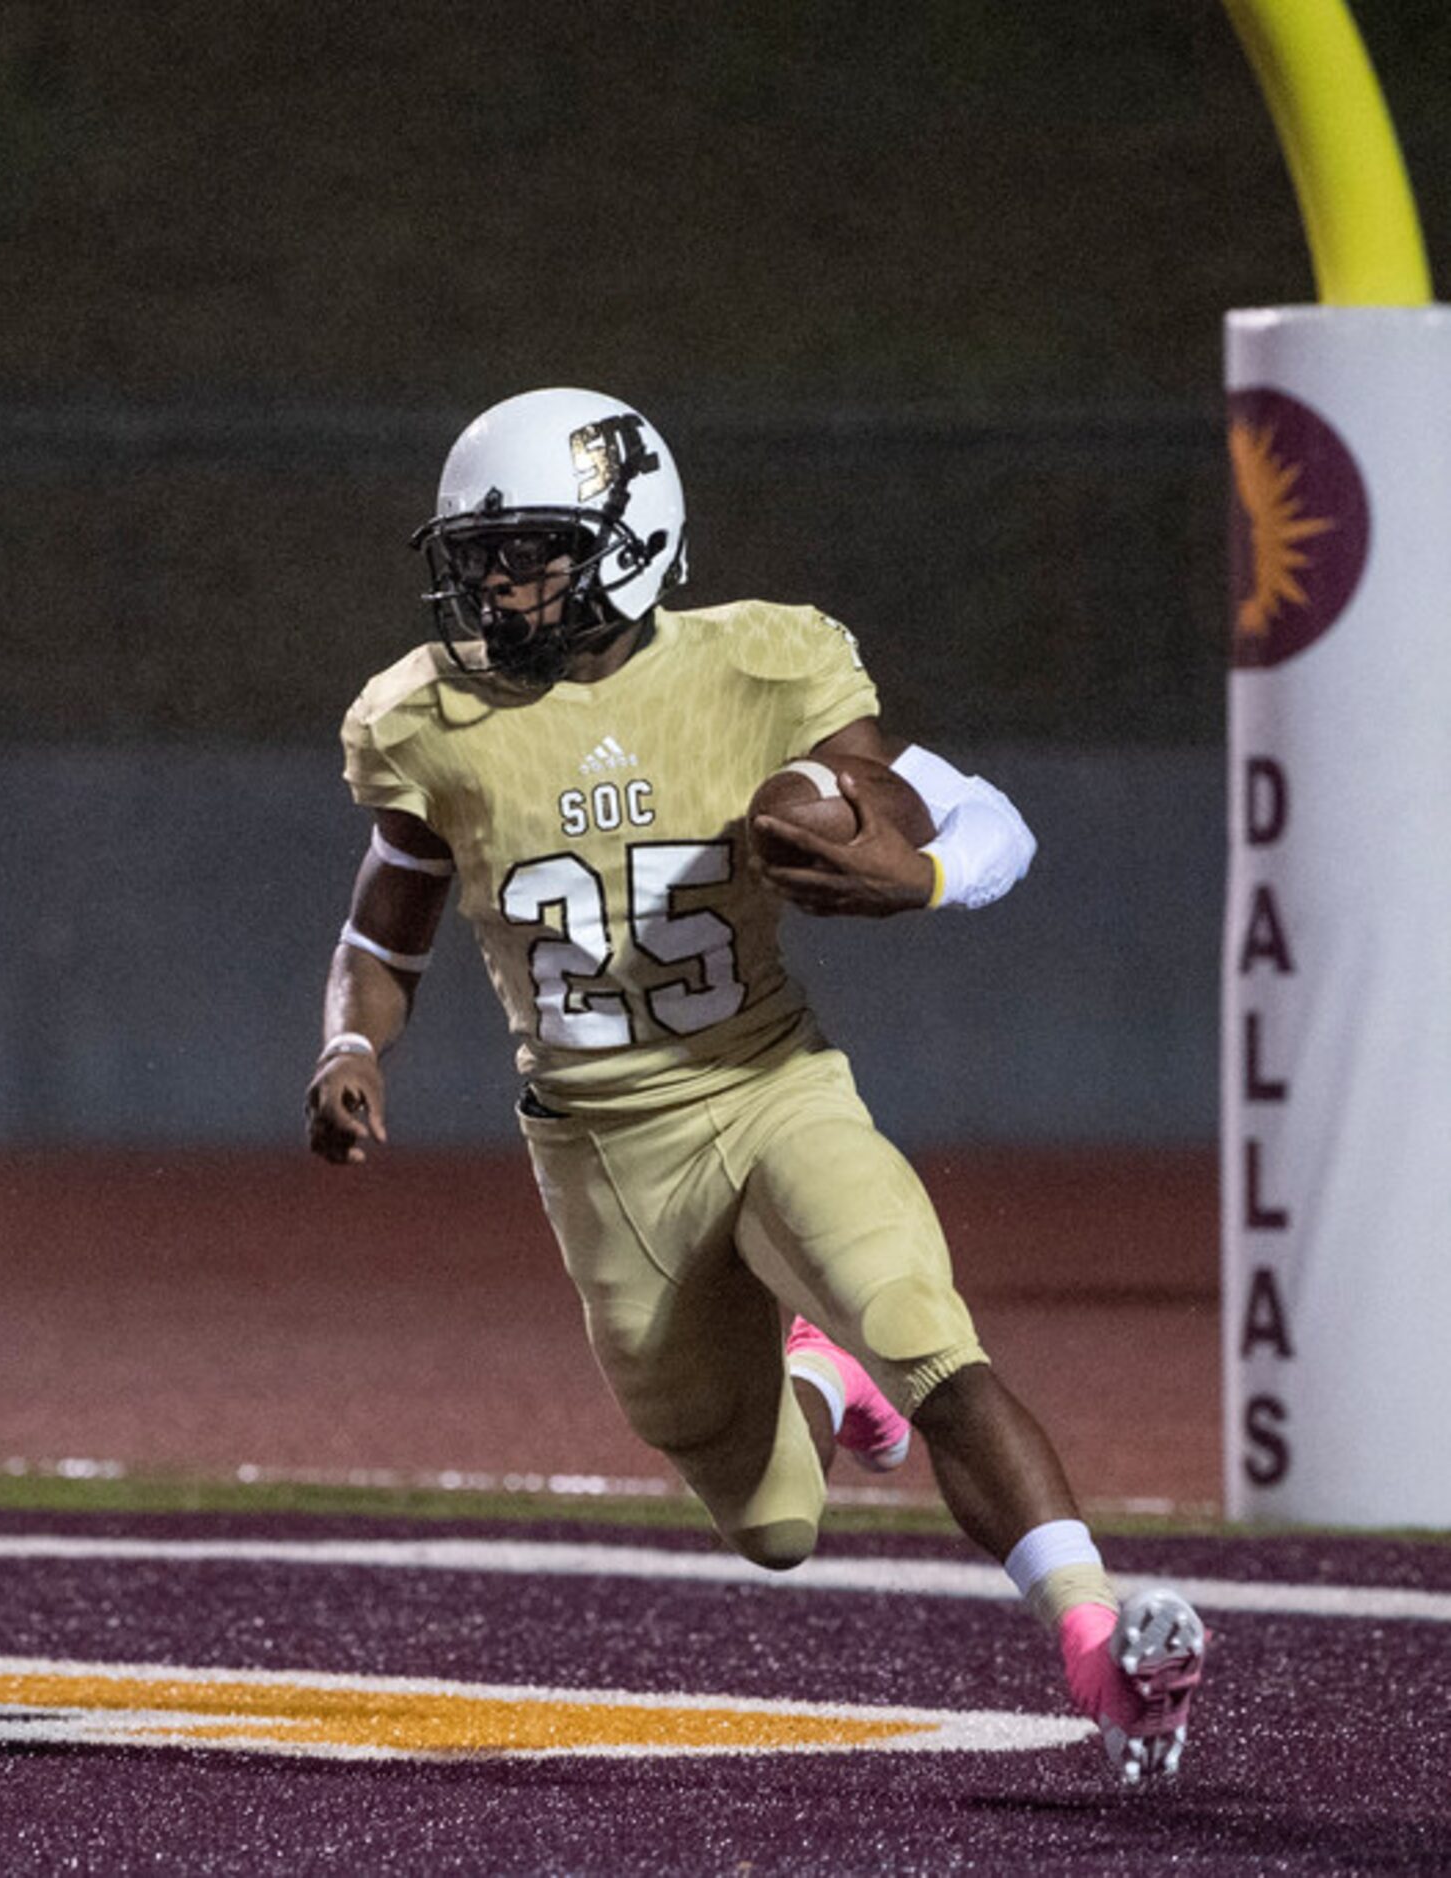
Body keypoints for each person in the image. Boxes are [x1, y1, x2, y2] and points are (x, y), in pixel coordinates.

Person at [301, 387, 1206, 1787]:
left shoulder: (763, 665)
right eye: (479, 556)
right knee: (774, 1526)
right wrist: (352, 1044)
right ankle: (816, 1380)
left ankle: (1104, 1646)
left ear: (634, 538)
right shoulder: (429, 722)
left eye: (529, 550)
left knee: (929, 1331)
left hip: (773, 1082)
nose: (494, 584)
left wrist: (926, 873)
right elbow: (385, 923)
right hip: (603, 1152)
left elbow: (987, 815)